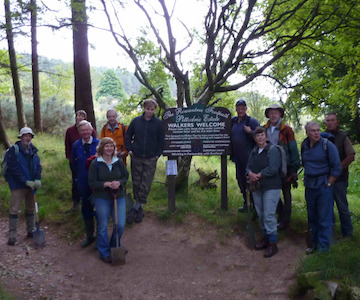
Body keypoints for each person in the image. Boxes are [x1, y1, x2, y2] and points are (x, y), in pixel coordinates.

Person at [301, 121, 342, 253]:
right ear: (307, 132)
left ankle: (323, 249)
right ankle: (314, 245)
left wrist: (330, 182)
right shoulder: (304, 145)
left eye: (318, 130)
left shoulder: (327, 145)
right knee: (312, 217)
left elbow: (337, 167)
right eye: (313, 130)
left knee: (324, 217)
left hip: (324, 185)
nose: (316, 133)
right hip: (309, 185)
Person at [88, 137, 129, 264]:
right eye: (106, 146)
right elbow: (92, 183)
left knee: (120, 224)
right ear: (101, 148)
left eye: (111, 146)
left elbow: (125, 176)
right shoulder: (96, 163)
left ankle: (114, 245)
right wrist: (105, 184)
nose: (109, 148)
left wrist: (119, 182)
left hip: (119, 196)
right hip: (102, 198)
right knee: (103, 226)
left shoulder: (118, 162)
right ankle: (104, 252)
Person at [124, 98, 165, 224]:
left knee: (146, 183)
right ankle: (139, 209)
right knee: (136, 182)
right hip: (136, 156)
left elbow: (161, 140)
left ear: (155, 110)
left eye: (152, 109)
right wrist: (130, 150)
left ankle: (135, 207)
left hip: (151, 158)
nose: (150, 111)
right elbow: (128, 136)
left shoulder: (158, 123)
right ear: (144, 108)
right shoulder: (136, 121)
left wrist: (158, 154)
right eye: (148, 109)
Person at [246, 127, 282, 258]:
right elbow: (248, 166)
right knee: (261, 213)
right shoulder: (254, 151)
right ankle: (266, 237)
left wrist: (259, 175)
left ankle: (273, 243)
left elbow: (273, 168)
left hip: (271, 187)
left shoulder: (272, 150)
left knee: (268, 214)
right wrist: (250, 173)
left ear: (266, 137)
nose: (260, 137)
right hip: (257, 187)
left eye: (262, 135)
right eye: (257, 136)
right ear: (255, 138)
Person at [264, 104, 300, 230]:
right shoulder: (264, 129)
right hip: (270, 166)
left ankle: (286, 220)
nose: (273, 115)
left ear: (280, 115)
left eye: (276, 113)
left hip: (285, 166)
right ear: (268, 115)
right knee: (271, 190)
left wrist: (294, 169)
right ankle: (280, 213)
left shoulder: (287, 130)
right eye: (271, 112)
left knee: (286, 192)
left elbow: (293, 149)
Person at [4, 127, 42, 246]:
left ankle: (31, 231)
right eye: (25, 136)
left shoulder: (33, 151)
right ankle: (12, 236)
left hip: (31, 185)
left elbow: (38, 166)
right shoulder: (13, 150)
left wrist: (37, 179)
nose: (27, 138)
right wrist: (25, 181)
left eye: (29, 136)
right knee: (15, 209)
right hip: (17, 185)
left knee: (30, 208)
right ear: (20, 137)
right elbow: (13, 169)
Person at [324, 113, 355, 237]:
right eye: (328, 120)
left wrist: (337, 169)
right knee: (327, 208)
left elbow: (351, 156)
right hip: (325, 179)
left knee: (342, 207)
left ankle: (348, 234)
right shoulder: (321, 137)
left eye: (333, 120)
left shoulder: (343, 137)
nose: (330, 122)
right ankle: (330, 235)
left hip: (340, 179)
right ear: (325, 123)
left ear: (337, 122)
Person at [71, 120, 100, 248]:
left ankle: (101, 237)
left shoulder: (99, 144)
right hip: (83, 182)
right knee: (86, 208)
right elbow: (74, 165)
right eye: (82, 130)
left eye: (87, 130)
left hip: (99, 183)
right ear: (79, 132)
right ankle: (90, 235)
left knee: (100, 209)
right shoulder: (76, 146)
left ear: (91, 130)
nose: (85, 132)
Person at [230, 99, 260, 212]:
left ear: (246, 109)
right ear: (236, 109)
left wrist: (250, 132)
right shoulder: (233, 121)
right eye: (238, 108)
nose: (240, 110)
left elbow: (261, 136)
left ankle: (254, 206)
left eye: (243, 108)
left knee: (250, 182)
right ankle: (246, 203)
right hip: (238, 158)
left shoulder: (251, 122)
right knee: (240, 180)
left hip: (250, 159)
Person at [65, 110, 97, 210]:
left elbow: (96, 144)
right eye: (79, 115)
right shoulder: (70, 131)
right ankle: (76, 201)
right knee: (77, 182)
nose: (80, 117)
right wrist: (70, 158)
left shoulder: (93, 134)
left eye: (83, 116)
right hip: (77, 162)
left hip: (93, 164)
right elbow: (67, 146)